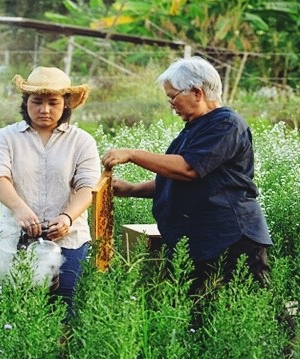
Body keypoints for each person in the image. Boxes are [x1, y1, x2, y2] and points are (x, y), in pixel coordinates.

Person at [101, 56, 271, 296]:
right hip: (200, 242)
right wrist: (132, 189)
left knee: (250, 311)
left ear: (197, 92)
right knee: (199, 317)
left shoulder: (226, 124)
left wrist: (132, 154)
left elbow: (187, 169)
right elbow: (176, 179)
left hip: (230, 241)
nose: (171, 103)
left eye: (173, 96)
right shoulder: (194, 128)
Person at [0, 66, 101, 318]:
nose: (44, 110)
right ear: (26, 103)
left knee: (62, 310)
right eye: (37, 102)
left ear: (66, 104)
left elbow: (87, 187)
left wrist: (67, 218)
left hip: (69, 240)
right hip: (16, 239)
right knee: (17, 310)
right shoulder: (5, 138)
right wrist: (20, 209)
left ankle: (59, 356)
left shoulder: (82, 141)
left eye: (53, 102)